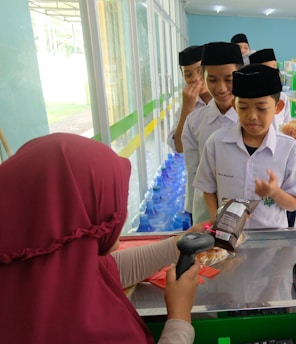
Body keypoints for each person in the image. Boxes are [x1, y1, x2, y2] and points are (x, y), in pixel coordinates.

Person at [0, 133, 201, 344]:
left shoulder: (36, 263)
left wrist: (179, 244)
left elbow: (109, 267)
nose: (118, 216)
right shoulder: (82, 329)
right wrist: (179, 317)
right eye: (111, 204)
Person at [193, 64, 296, 229]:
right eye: (243, 107)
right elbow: (208, 189)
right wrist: (217, 220)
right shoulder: (217, 143)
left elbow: (293, 205)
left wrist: (274, 192)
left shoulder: (289, 149)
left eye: (261, 108)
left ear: (278, 107)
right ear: (234, 105)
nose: (252, 116)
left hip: (270, 240)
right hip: (228, 236)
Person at [181, 42, 244, 225]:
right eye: (213, 79)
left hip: (245, 212)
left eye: (229, 79)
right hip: (205, 213)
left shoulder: (252, 121)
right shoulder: (194, 121)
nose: (221, 88)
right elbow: (193, 171)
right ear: (203, 77)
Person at [249, 48, 296, 227]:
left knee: (284, 210)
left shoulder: (283, 99)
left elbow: (285, 125)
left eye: (274, 69)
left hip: (279, 157)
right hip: (260, 155)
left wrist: (292, 134)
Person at [168, 45, 212, 153]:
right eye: (188, 75)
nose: (195, 78)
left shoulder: (225, 97)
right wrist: (187, 108)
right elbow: (179, 147)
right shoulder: (187, 105)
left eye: (200, 71)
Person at [248, 48, 292, 131]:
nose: (273, 73)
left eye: (275, 68)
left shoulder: (283, 97)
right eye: (266, 70)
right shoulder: (248, 98)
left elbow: (287, 123)